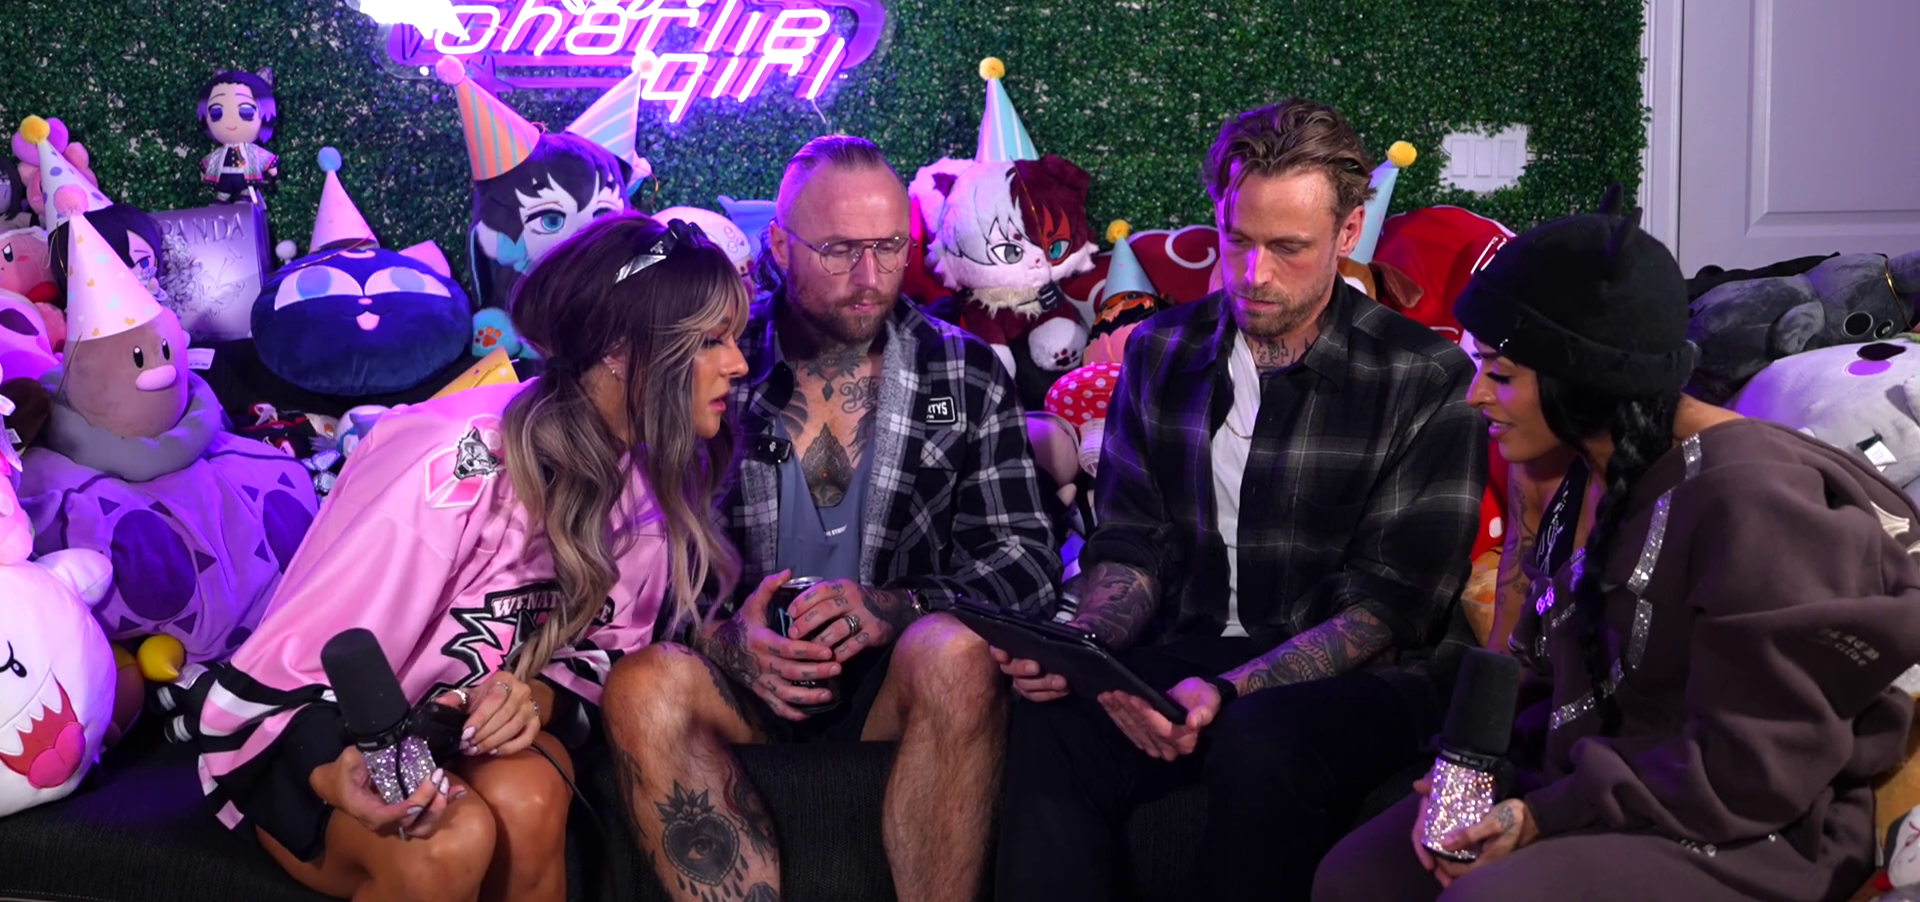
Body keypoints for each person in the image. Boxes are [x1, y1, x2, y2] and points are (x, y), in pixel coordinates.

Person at [1312, 205, 1920, 902]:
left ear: (1584, 381)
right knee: (1356, 877)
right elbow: (1542, 671)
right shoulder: (1580, 466)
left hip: (1742, 821)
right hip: (1590, 777)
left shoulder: (1754, 499)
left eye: (1500, 375)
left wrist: (1539, 818)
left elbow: (1757, 763)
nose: (1475, 396)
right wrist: (1470, 775)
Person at [992, 99, 1488, 901]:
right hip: (1191, 648)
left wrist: (1231, 692)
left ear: (1348, 232)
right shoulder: (1160, 351)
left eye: (1288, 247)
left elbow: (1389, 611)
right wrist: (1085, 645)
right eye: (1237, 240)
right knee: (1052, 725)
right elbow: (1131, 542)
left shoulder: (1425, 377)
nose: (1254, 275)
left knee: (1261, 737)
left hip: (1362, 677)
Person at [196, 214, 751, 902]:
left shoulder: (643, 485)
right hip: (317, 746)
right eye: (711, 341)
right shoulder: (455, 465)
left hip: (447, 742)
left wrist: (533, 697)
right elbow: (288, 667)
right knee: (450, 844)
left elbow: (607, 654)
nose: (739, 365)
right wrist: (330, 769)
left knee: (531, 795)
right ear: (621, 349)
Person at [603, 135, 1061, 902]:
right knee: (644, 685)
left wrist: (898, 607)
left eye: (890, 247)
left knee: (953, 653)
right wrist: (724, 639)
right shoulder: (714, 367)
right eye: (841, 250)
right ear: (780, 245)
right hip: (739, 685)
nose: (870, 278)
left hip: (895, 688)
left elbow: (1026, 563)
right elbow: (635, 572)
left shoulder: (963, 373)